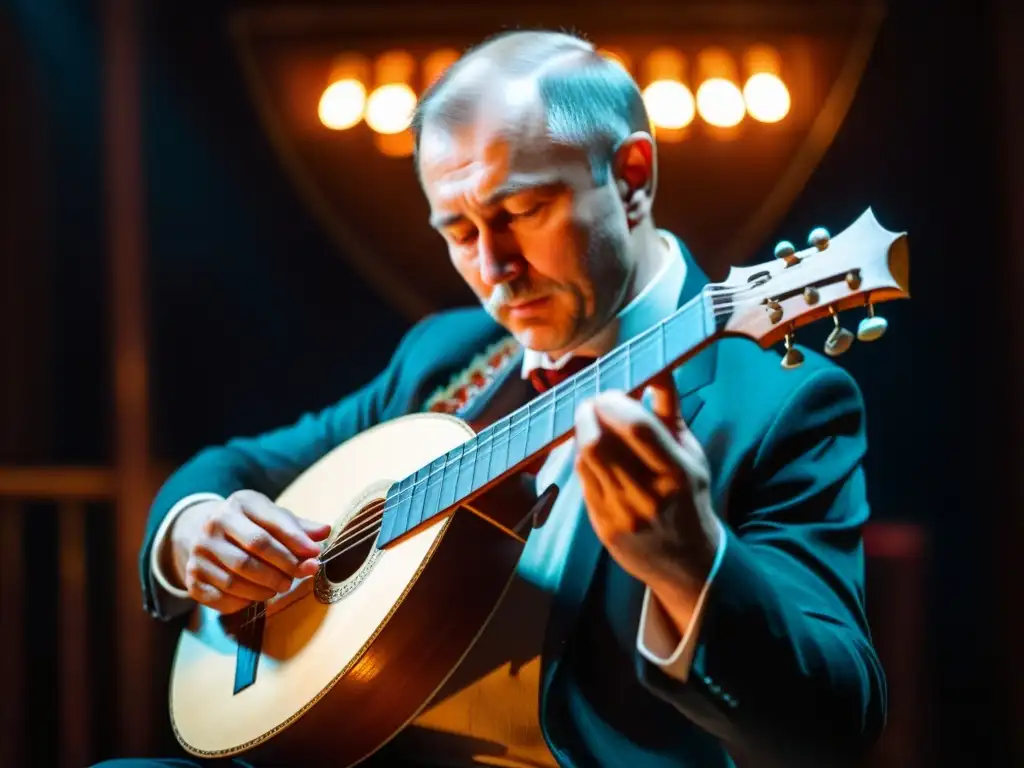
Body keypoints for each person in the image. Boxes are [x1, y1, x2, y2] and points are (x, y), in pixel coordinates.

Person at [96, 28, 887, 768]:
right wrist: (190, 530)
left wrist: (693, 564)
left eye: (519, 212)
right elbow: (238, 465)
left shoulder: (781, 405)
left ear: (633, 176)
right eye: (459, 230)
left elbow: (836, 722)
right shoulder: (447, 355)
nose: (492, 266)